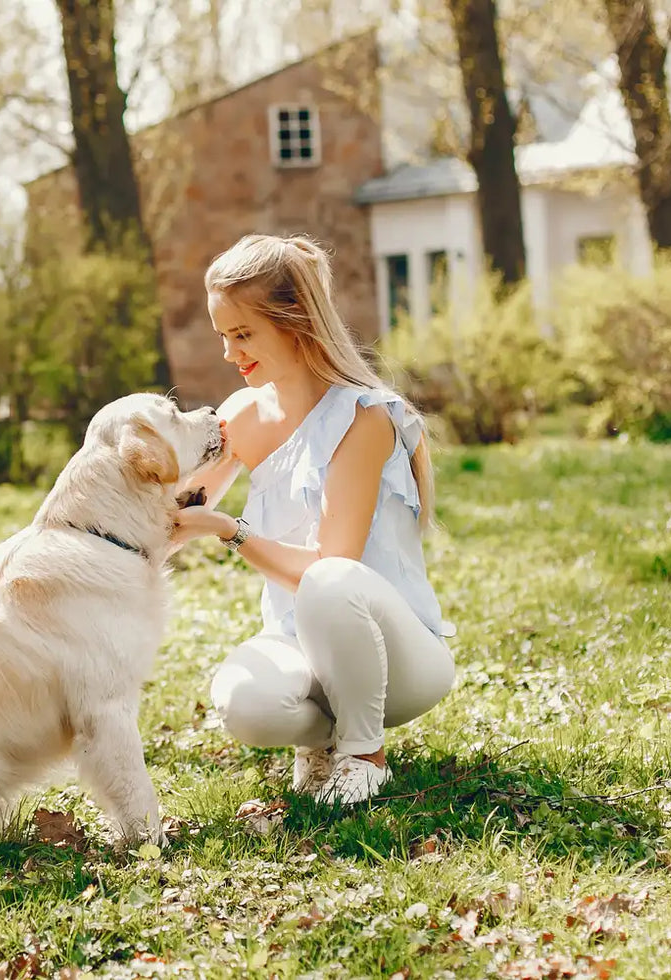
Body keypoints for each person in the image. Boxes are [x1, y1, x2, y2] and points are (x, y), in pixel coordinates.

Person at [172, 234, 457, 806]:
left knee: (329, 582)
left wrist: (232, 531)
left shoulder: (364, 416)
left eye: (244, 334)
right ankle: (325, 743)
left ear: (297, 321)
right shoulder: (242, 416)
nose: (231, 354)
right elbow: (176, 513)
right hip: (299, 646)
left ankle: (364, 755)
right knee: (242, 702)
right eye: (223, 336)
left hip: (399, 661)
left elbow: (334, 564)